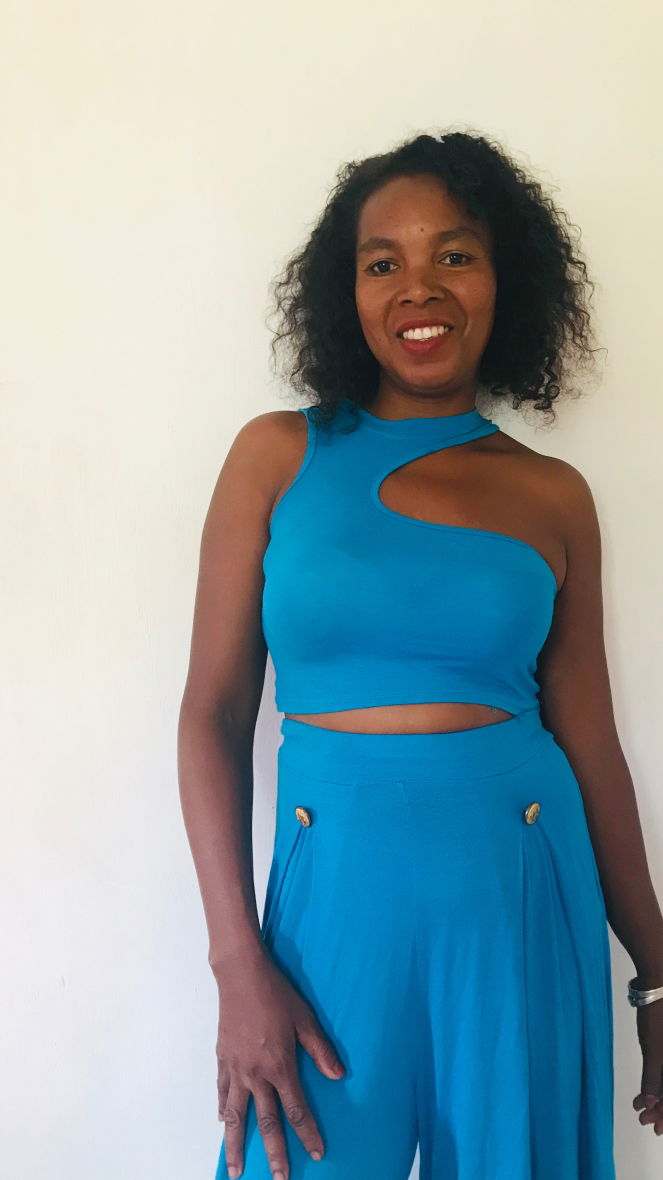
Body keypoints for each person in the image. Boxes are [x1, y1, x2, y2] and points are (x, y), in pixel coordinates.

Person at [177, 130, 663, 1180]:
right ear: (345, 292)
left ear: (503, 278)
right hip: (331, 900)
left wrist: (659, 975)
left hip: (518, 887)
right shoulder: (277, 455)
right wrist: (234, 963)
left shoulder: (553, 495)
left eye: (454, 253)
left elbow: (591, 746)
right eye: (382, 261)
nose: (419, 287)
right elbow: (211, 715)